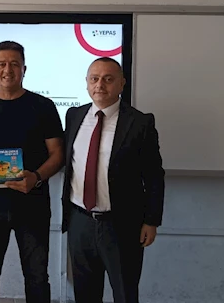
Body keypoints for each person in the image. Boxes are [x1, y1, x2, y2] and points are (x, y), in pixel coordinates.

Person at [0, 41, 64, 303]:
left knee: (37, 278)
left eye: (14, 64)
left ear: (24, 69)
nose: (8, 70)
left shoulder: (43, 106)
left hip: (33, 204)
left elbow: (58, 154)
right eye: (2, 64)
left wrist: (36, 178)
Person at [61, 57, 165, 303]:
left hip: (122, 225)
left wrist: (151, 220)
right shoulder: (74, 116)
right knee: (85, 294)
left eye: (108, 79)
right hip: (80, 222)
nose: (100, 85)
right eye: (94, 79)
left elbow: (153, 175)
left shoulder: (140, 123)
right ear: (87, 83)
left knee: (125, 293)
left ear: (122, 83)